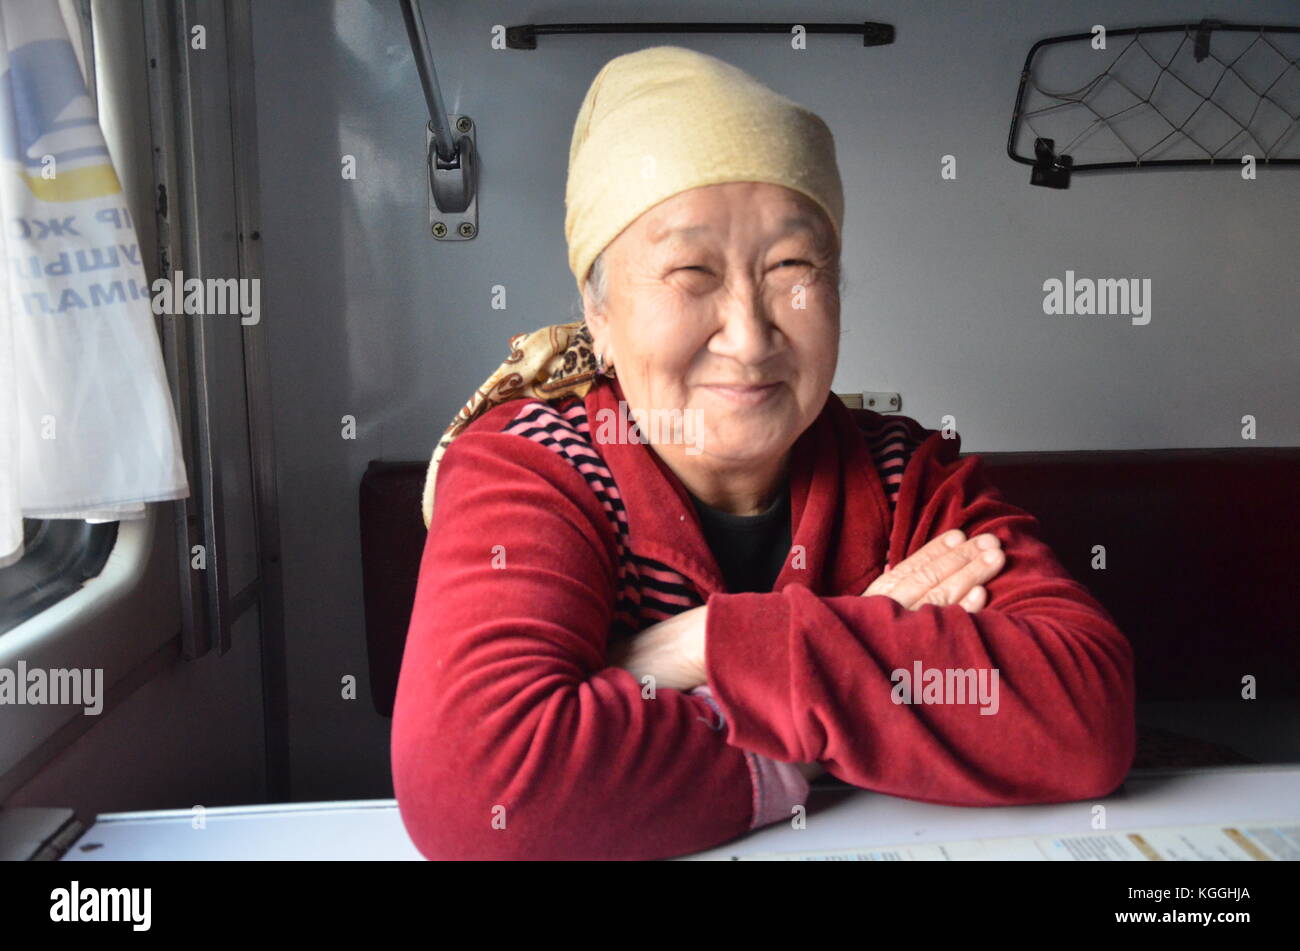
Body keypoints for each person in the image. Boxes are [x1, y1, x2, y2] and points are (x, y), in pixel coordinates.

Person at [391, 45, 1135, 861]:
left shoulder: (904, 477)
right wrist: (830, 711)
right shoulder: (533, 467)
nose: (749, 339)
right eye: (689, 272)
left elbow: (1083, 717)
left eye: (792, 266)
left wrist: (703, 645)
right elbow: (485, 791)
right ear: (598, 316)